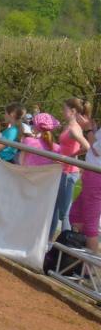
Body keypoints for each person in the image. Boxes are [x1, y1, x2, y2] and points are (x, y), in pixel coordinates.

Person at [49, 98, 91, 240]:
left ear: (73, 111)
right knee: (54, 209)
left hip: (69, 173)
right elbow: (65, 146)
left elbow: (86, 146)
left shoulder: (74, 128)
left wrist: (70, 157)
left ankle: (65, 244)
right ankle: (49, 242)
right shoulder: (68, 126)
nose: (62, 111)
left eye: (64, 109)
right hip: (62, 170)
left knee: (64, 213)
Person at [70, 120, 101, 256]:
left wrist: (88, 130)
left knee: (90, 224)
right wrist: (93, 130)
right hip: (91, 174)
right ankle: (78, 257)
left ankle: (90, 265)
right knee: (76, 215)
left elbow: (97, 149)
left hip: (96, 176)